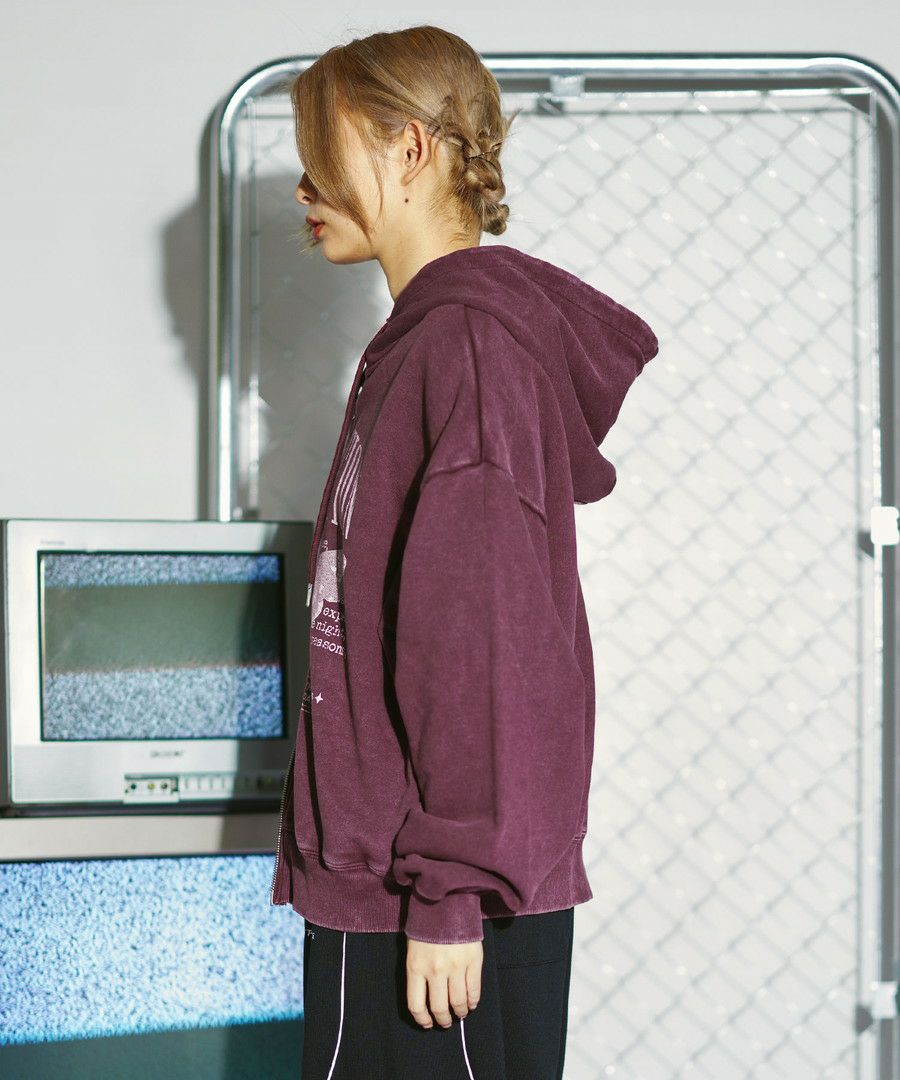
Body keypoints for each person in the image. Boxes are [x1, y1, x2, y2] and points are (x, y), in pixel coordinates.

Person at [269, 23, 659, 1080]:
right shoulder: (428, 344)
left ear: (409, 148)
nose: (303, 185)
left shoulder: (466, 349)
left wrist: (450, 894)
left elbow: (481, 639)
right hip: (402, 886)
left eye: (322, 151)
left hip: (433, 909)